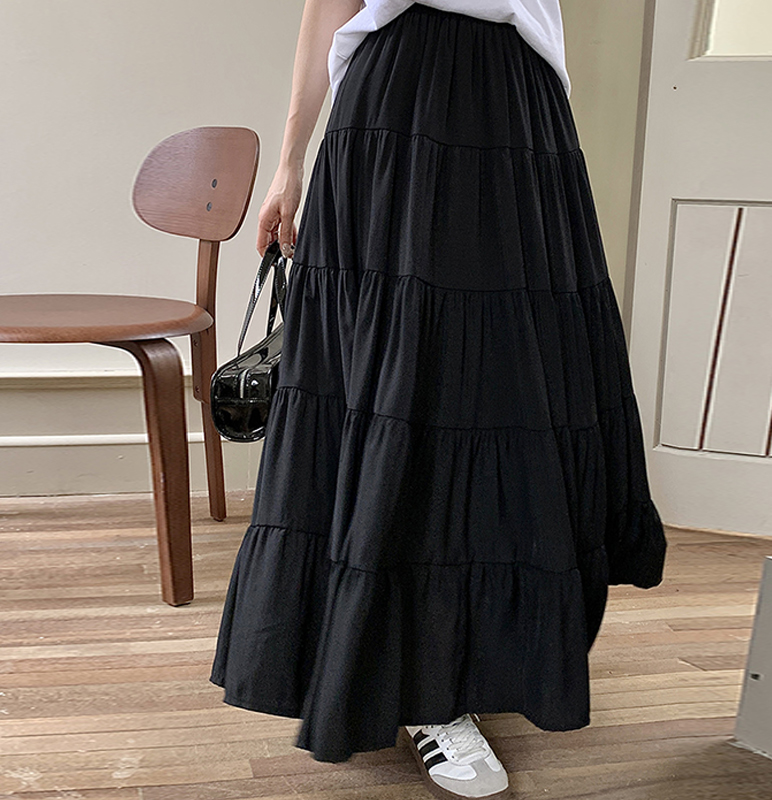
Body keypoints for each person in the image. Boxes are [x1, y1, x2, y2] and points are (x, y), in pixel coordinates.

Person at [210, 1, 668, 798]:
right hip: (404, 99)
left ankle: (470, 656)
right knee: (409, 389)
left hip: (521, 105)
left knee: (506, 393)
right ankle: (423, 690)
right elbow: (331, 6)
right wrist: (290, 160)